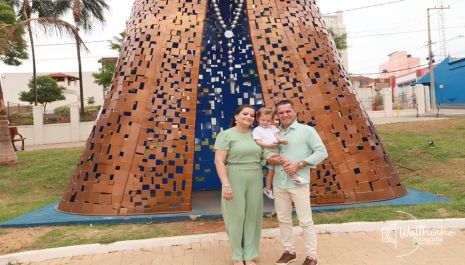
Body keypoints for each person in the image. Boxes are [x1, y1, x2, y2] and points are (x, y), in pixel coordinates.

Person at [269, 99, 328, 265]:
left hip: (299, 183)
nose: (285, 115)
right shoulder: (274, 133)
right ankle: (289, 251)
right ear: (277, 115)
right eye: (281, 113)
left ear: (295, 112)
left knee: (305, 220)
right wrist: (271, 160)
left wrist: (300, 164)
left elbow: (322, 152)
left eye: (288, 111)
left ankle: (311, 256)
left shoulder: (307, 131)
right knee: (283, 219)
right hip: (279, 183)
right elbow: (268, 157)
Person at [214, 105, 264, 265]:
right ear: (236, 116)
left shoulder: (256, 134)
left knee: (253, 217)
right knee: (236, 217)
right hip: (234, 177)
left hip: (256, 176)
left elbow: (266, 153)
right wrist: (226, 184)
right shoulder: (226, 135)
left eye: (252, 115)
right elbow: (219, 160)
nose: (249, 117)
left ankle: (249, 255)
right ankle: (237, 256)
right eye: (245, 114)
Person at [252, 107, 306, 200]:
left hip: (276, 149)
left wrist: (283, 139)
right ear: (258, 119)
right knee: (284, 160)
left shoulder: (272, 127)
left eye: (268, 120)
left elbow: (277, 135)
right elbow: (258, 141)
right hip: (267, 151)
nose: (265, 122)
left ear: (271, 120)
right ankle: (295, 176)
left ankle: (267, 189)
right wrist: (268, 145)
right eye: (263, 120)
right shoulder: (257, 130)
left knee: (271, 171)